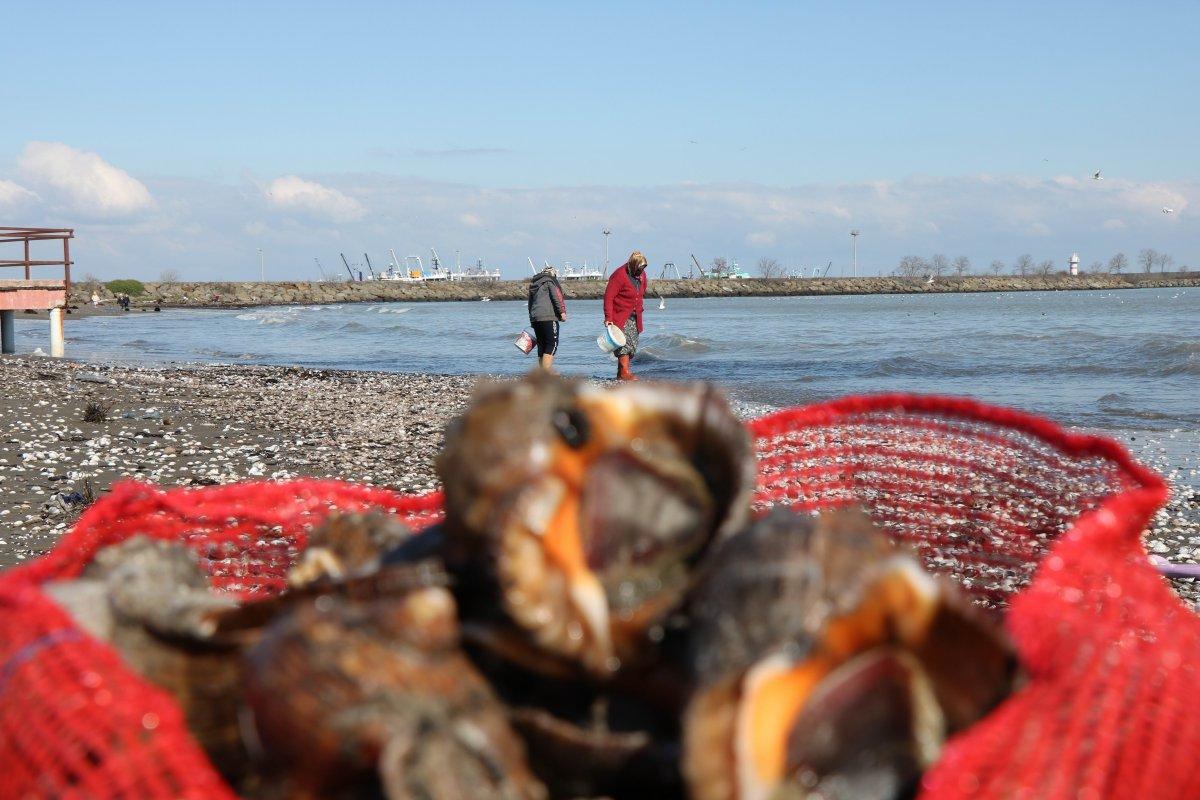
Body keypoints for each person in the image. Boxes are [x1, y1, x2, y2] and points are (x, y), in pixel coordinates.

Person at [603, 250, 649, 380]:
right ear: (633, 265)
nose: (642, 270)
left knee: (633, 345)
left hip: (636, 316)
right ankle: (625, 373)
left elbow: (642, 290)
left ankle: (621, 373)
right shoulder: (619, 275)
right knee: (624, 345)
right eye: (640, 268)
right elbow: (608, 297)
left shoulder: (642, 275)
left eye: (644, 268)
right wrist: (608, 318)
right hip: (620, 315)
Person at [527, 266, 567, 372]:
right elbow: (556, 297)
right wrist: (562, 312)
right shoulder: (549, 281)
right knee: (551, 344)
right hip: (548, 317)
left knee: (542, 345)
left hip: (535, 318)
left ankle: (542, 373)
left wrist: (531, 318)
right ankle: (546, 374)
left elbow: (530, 304)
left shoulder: (533, 284)